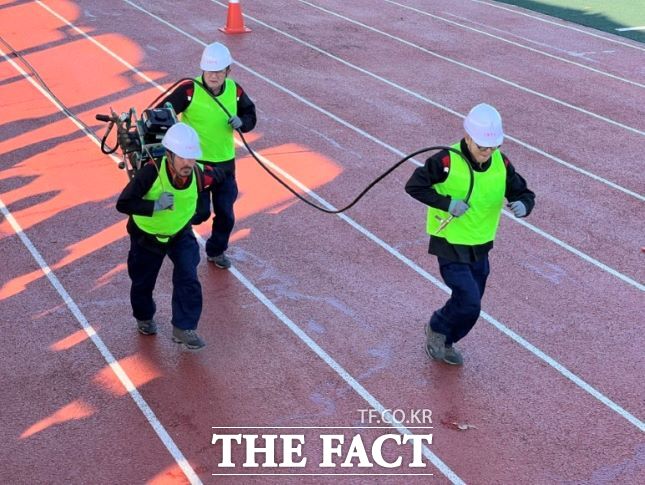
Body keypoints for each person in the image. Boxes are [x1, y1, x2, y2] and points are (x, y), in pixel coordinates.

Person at [405, 103, 535, 366]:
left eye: (493, 147)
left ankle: (446, 338)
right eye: (482, 147)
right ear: (467, 138)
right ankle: (437, 327)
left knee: (470, 306)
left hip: (482, 245)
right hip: (450, 243)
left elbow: (523, 192)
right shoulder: (445, 161)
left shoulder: (502, 162)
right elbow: (414, 186)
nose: (488, 153)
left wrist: (525, 204)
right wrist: (447, 203)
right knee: (470, 301)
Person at [116, 123, 220, 350]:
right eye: (182, 158)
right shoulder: (150, 173)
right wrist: (154, 205)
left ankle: (184, 328)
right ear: (169, 154)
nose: (188, 164)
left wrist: (203, 208)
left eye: (192, 158)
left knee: (188, 276)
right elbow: (123, 203)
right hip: (147, 236)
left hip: (180, 234)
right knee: (143, 282)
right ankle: (144, 317)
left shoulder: (199, 173)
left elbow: (218, 178)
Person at [156, 41, 257, 269]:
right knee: (199, 212)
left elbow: (250, 114)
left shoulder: (236, 91)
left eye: (219, 71)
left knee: (226, 214)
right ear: (203, 70)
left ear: (227, 71)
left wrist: (244, 122)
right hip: (196, 165)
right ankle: (173, 237)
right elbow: (162, 112)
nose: (213, 76)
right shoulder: (189, 91)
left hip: (224, 166)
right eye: (209, 71)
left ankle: (216, 250)